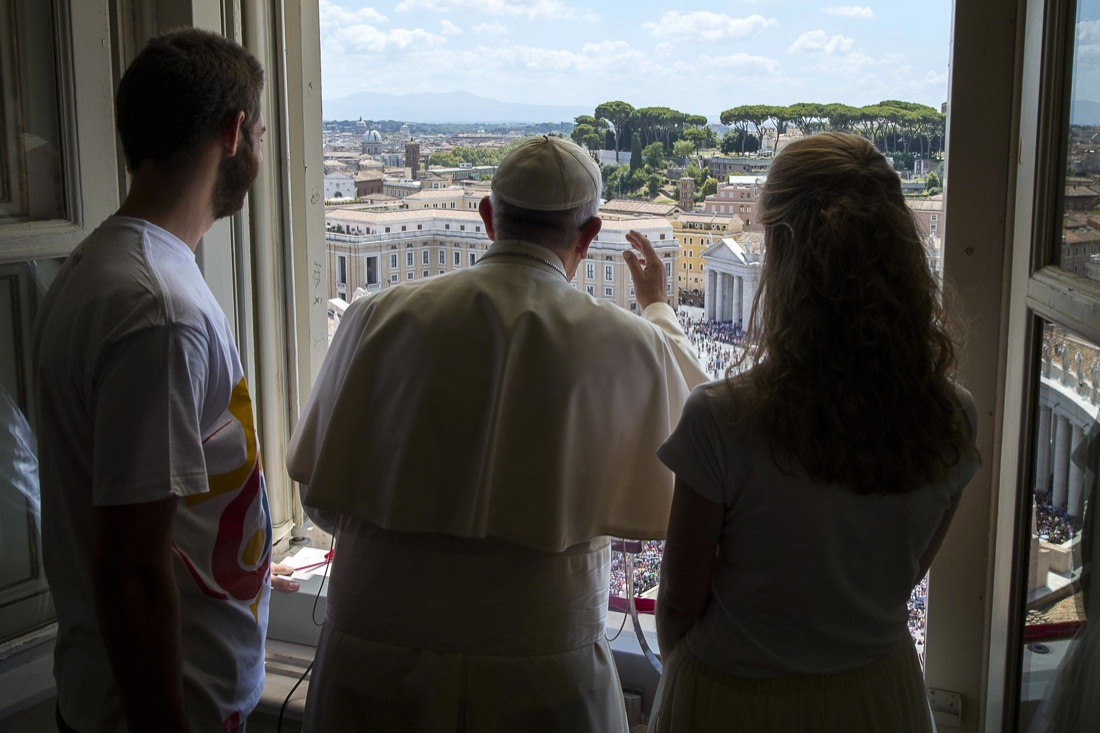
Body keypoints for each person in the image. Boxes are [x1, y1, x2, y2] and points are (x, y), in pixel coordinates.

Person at [286, 135, 708, 731]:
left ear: (488, 218)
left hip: (369, 664)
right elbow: (706, 421)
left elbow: (321, 499)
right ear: (588, 237)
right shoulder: (630, 341)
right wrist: (657, 307)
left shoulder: (373, 316)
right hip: (542, 675)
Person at [650, 132, 982, 732]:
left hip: (732, 695)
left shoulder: (721, 417)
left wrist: (693, 676)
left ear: (781, 255)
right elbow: (905, 574)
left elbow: (677, 602)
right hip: (877, 697)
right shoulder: (953, 416)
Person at [33, 28, 281, 732]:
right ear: (234, 133)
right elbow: (131, 565)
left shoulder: (98, 268)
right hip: (166, 706)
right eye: (260, 130)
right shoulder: (160, 310)